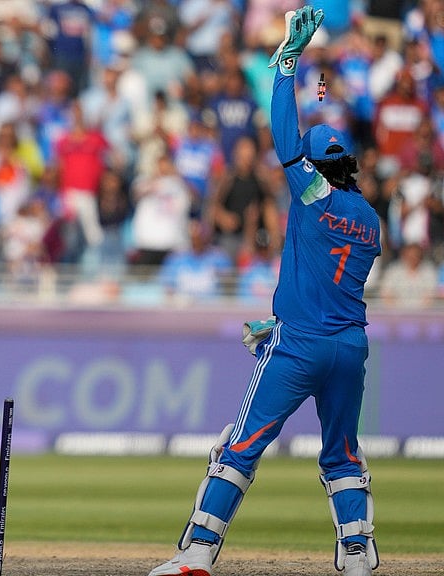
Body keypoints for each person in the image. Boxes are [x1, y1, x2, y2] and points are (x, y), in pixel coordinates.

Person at [148, 8, 381, 576]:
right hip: (348, 347)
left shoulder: (314, 197)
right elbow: (329, 286)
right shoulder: (371, 220)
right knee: (342, 455)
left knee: (239, 447)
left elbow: (284, 141)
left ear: (319, 168)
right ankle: (357, 555)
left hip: (299, 347)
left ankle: (197, 553)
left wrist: (287, 67)